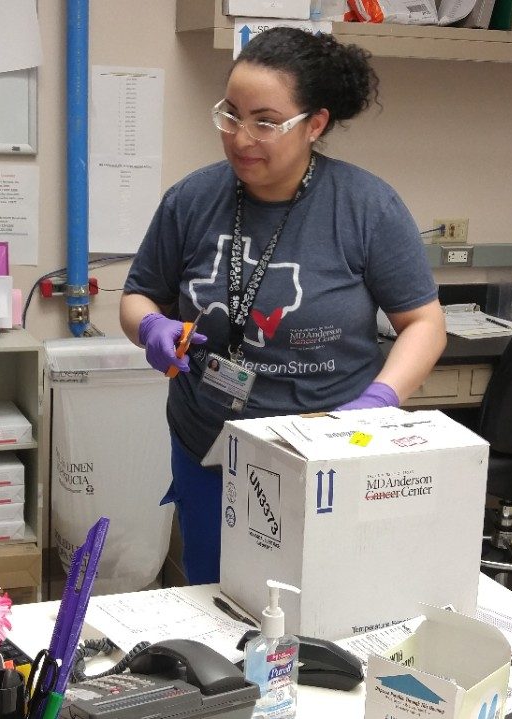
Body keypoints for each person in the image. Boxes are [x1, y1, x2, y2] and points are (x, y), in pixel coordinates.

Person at [120, 27, 446, 584]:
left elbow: (424, 323)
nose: (241, 137)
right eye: (231, 114)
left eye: (266, 121)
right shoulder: (192, 199)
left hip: (325, 450)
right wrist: (149, 323)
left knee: (322, 597)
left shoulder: (365, 206)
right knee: (217, 592)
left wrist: (379, 399)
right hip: (209, 444)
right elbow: (137, 294)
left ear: (314, 124)